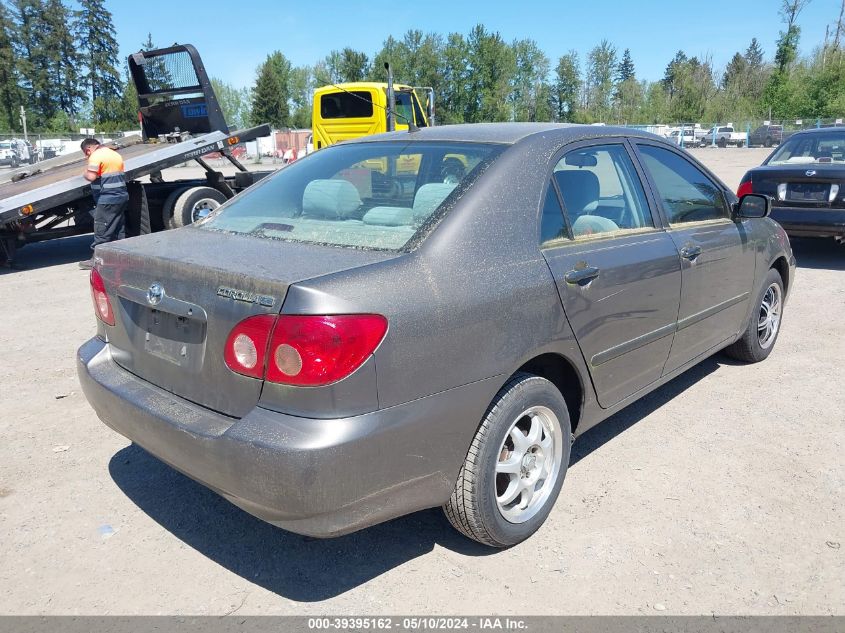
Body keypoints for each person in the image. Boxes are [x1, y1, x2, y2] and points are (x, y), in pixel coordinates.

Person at [78, 138, 128, 269]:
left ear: (88, 149)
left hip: (107, 199)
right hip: (121, 196)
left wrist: (84, 173)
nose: (87, 156)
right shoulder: (114, 154)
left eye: (86, 153)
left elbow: (91, 177)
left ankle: (97, 259)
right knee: (118, 228)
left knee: (102, 228)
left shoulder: (96, 156)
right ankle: (121, 258)